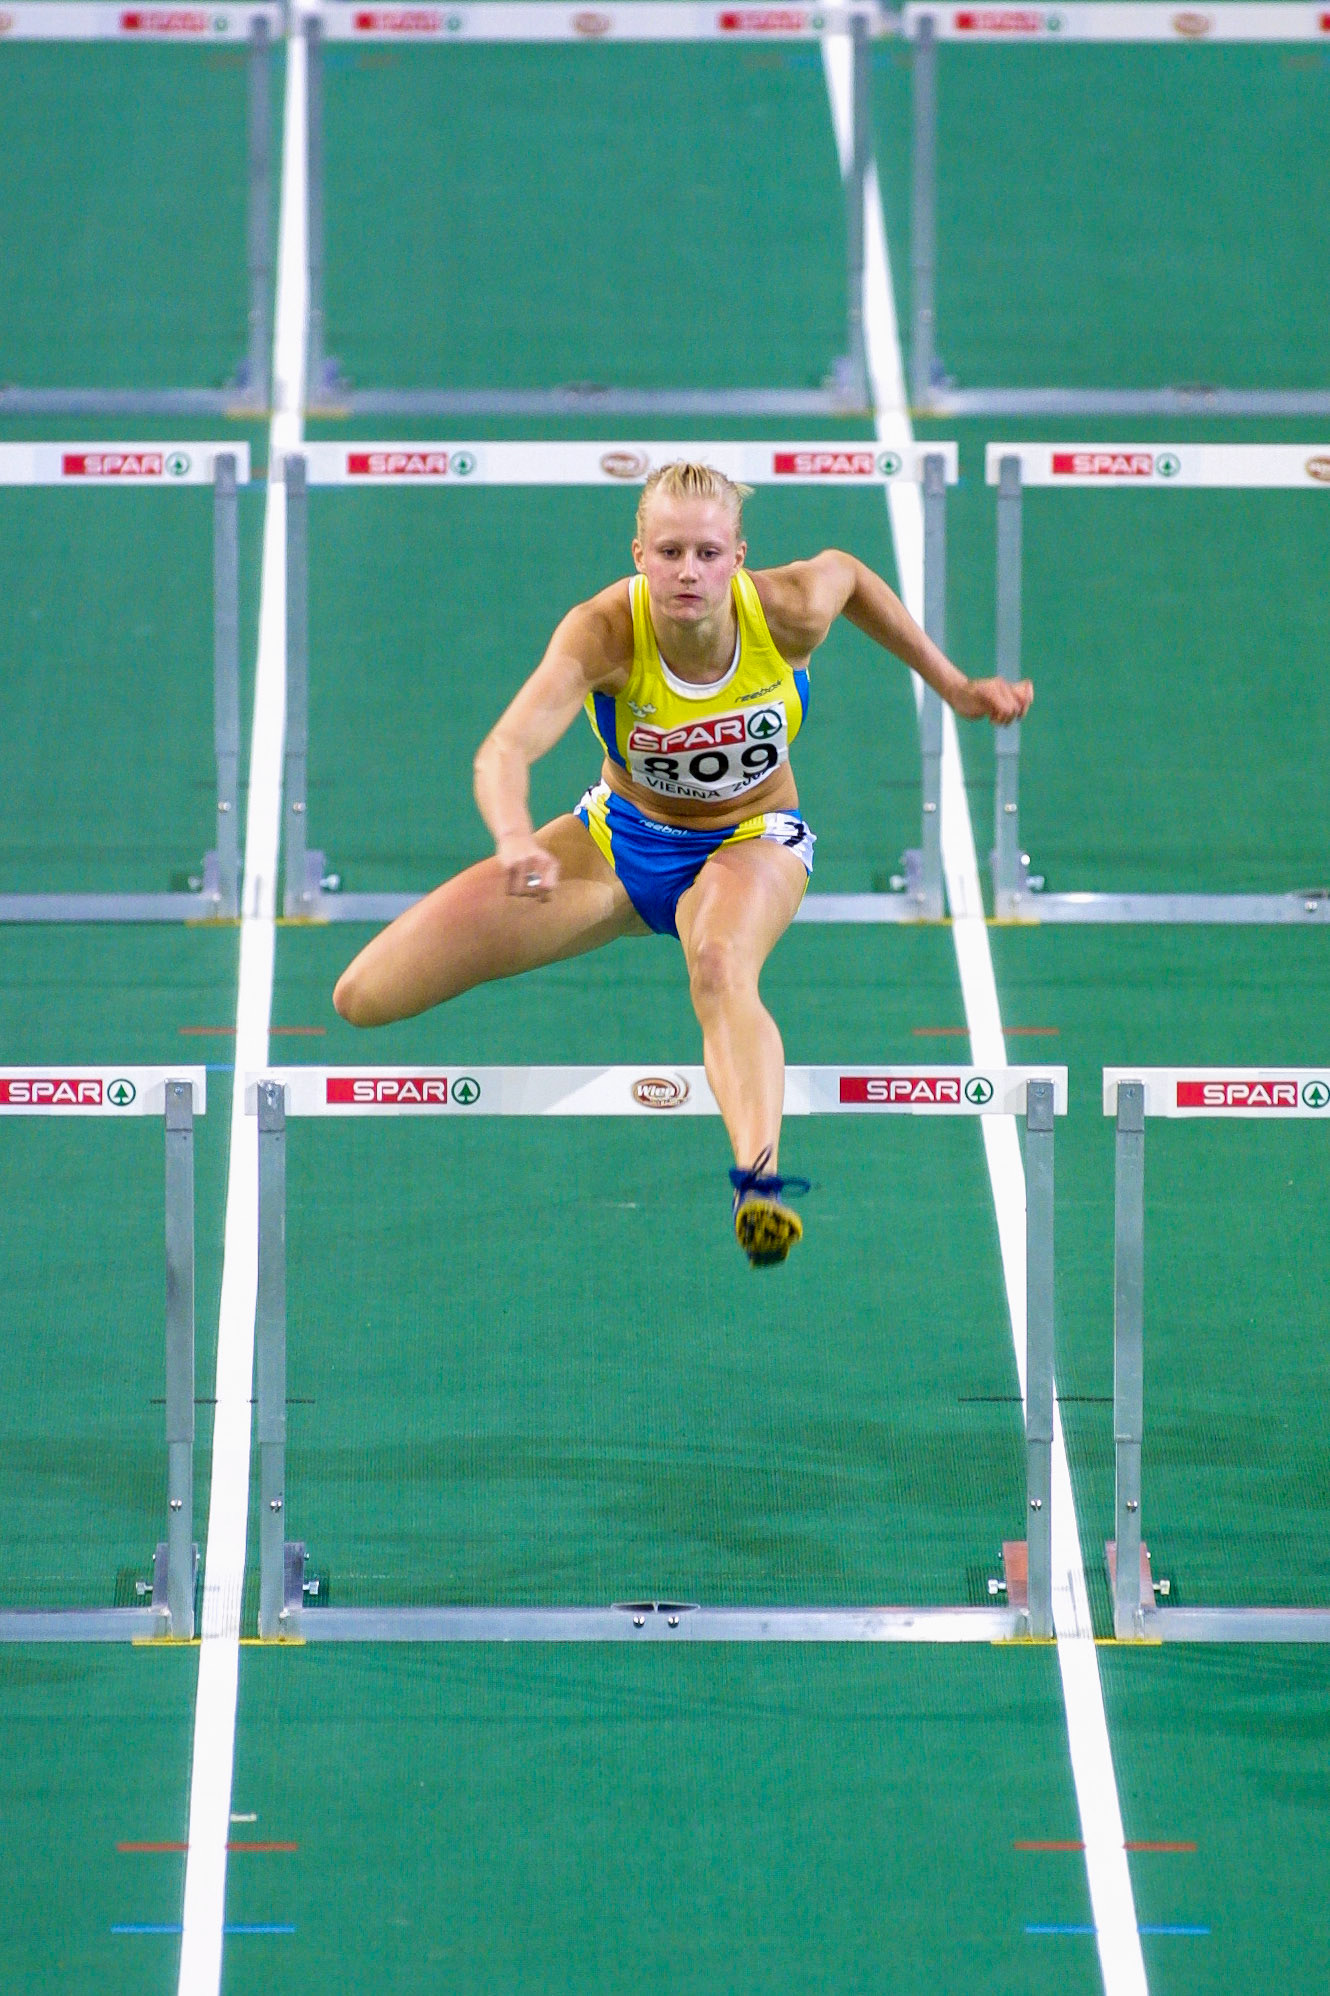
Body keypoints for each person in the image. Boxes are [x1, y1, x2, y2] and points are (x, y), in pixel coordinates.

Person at [333, 461, 1033, 1267]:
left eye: (706, 553)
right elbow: (505, 748)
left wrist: (954, 687)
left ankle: (759, 1188)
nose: (687, 572)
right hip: (615, 843)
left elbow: (850, 574)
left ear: (739, 555)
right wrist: (515, 837)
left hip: (752, 840)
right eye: (669, 552)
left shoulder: (787, 612)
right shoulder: (602, 633)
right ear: (639, 554)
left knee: (718, 965)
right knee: (364, 995)